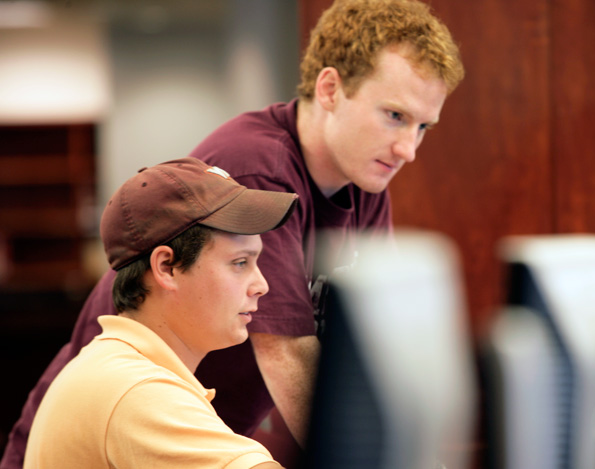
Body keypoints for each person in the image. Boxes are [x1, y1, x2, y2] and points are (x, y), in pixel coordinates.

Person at [1, 1, 464, 468]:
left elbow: (364, 352)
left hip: (193, 433)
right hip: (126, 428)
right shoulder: (257, 168)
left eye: (423, 126)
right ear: (329, 89)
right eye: (394, 116)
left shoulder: (365, 183)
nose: (408, 149)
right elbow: (285, 352)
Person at [23, 157, 299, 468]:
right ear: (166, 267)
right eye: (239, 263)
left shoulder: (118, 368)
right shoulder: (136, 389)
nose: (261, 285)